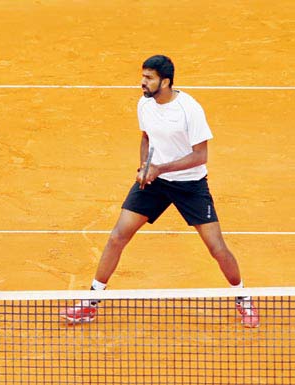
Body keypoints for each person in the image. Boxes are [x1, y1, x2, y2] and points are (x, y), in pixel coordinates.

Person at [60, 55, 259, 328]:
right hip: (155, 182)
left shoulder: (190, 110)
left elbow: (201, 156)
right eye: (143, 77)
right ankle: (91, 302)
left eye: (149, 78)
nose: (142, 82)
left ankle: (243, 297)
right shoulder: (145, 103)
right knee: (118, 236)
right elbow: (146, 137)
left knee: (216, 248)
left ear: (165, 82)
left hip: (190, 185)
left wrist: (159, 168)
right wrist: (144, 166)